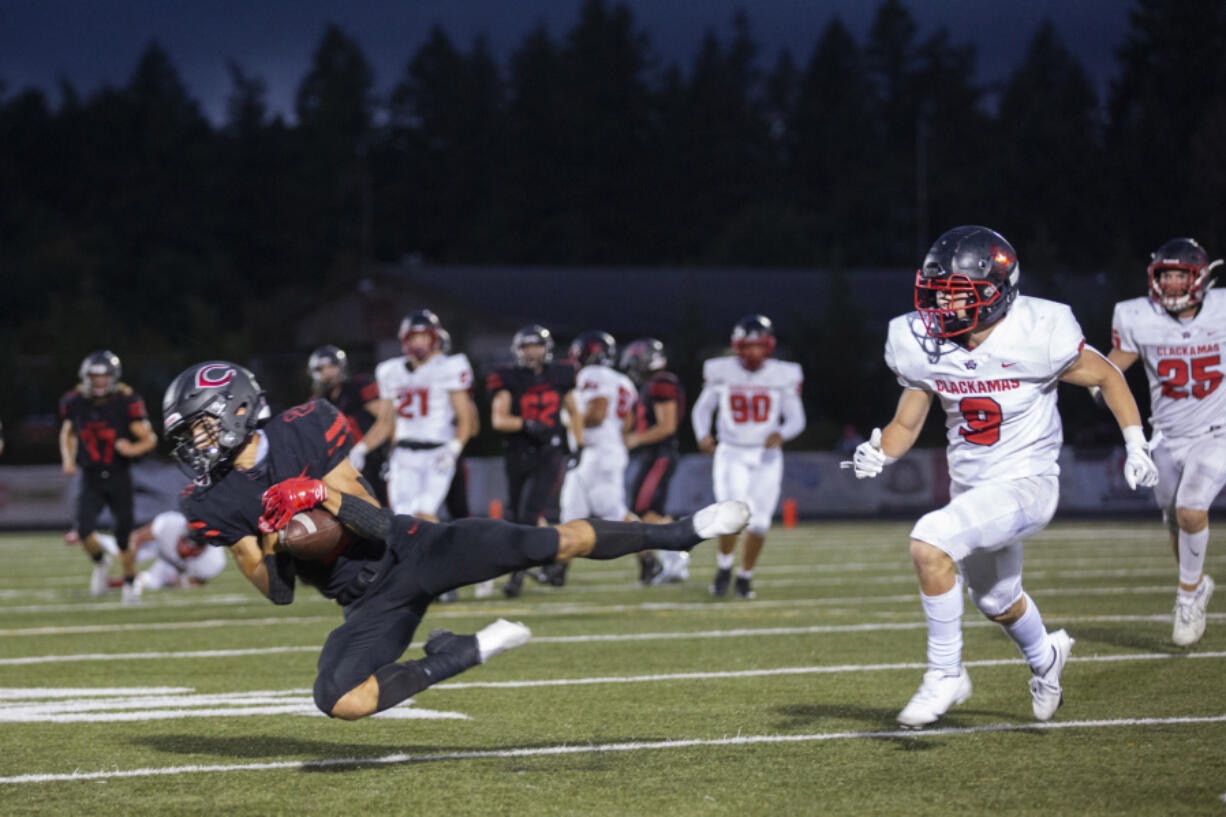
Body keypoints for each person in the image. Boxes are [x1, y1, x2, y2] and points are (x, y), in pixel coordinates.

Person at [162, 361, 749, 720]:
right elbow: (278, 594)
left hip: (415, 547)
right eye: (190, 432)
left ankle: (680, 533)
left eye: (202, 424)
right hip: (368, 600)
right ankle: (457, 654)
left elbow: (377, 521)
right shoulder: (209, 502)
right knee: (339, 700)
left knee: (548, 543)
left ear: (238, 407)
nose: (196, 440)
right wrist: (276, 541)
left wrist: (315, 494)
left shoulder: (307, 426)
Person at [845, 225, 1159, 728]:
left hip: (1028, 482)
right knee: (995, 599)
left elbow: (1107, 374)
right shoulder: (922, 341)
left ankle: (946, 673)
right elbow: (907, 421)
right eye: (938, 293)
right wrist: (879, 450)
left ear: (997, 293)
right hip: (975, 487)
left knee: (929, 542)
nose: (943, 307)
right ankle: (1046, 657)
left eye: (957, 295)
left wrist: (1135, 441)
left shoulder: (1040, 328)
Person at [1102, 237, 1222, 646]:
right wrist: (1093, 382)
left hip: (1218, 432)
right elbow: (1112, 367)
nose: (1171, 284)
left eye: (1180, 275)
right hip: (1168, 437)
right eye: (1166, 275)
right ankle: (1196, 583)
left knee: (1191, 511)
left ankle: (1186, 599)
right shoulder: (1138, 316)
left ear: (1200, 277)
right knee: (1175, 520)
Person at [692, 315, 805, 599]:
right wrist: (703, 434)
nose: (753, 353)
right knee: (731, 514)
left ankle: (745, 576)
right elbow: (702, 409)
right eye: (748, 346)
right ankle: (724, 567)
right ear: (737, 346)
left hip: (766, 454)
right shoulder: (721, 370)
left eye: (758, 346)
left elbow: (796, 418)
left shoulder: (784, 373)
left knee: (760, 522)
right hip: (731, 450)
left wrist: (782, 433)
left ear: (768, 346)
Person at [487, 324, 581, 597]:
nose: (532, 352)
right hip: (518, 453)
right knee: (518, 515)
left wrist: (578, 445)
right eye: (527, 347)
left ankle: (517, 575)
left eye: (536, 346)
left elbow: (574, 411)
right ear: (518, 350)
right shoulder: (509, 378)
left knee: (530, 514)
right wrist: (525, 424)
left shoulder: (561, 375)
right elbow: (498, 419)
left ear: (547, 348)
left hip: (548, 454)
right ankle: (553, 561)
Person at [59, 350, 157, 604]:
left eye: (104, 377)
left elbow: (149, 438)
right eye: (95, 377)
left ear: (113, 377)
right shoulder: (75, 401)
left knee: (124, 535)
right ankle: (101, 562)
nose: (99, 382)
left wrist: (132, 448)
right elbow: (68, 432)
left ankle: (128, 581)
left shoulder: (125, 400)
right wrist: (68, 459)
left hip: (118, 474)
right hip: (90, 474)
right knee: (83, 529)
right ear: (86, 377)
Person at [373, 310, 475, 521]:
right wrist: (367, 449)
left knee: (428, 513)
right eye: (414, 337)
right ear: (404, 339)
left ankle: (441, 552)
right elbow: (387, 422)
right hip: (404, 452)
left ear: (435, 338)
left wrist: (454, 449)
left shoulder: (451, 367)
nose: (419, 342)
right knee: (402, 517)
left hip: (438, 451)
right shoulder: (392, 371)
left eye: (424, 336)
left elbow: (469, 421)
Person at [558, 331, 638, 586]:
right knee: (571, 508)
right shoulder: (624, 381)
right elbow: (627, 423)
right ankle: (558, 570)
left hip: (597, 452)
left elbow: (598, 413)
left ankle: (650, 559)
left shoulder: (591, 374)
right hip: (602, 449)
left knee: (612, 512)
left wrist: (571, 417)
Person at [621, 337, 689, 584]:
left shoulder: (662, 383)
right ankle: (675, 560)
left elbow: (667, 425)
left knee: (643, 511)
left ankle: (675, 561)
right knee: (654, 511)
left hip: (659, 454)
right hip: (654, 455)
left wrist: (636, 439)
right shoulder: (653, 384)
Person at [308, 345, 392, 504]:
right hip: (340, 467)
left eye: (331, 366)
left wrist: (391, 454)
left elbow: (387, 421)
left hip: (371, 460)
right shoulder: (316, 401)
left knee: (382, 509)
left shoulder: (358, 388)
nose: (327, 373)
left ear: (341, 367)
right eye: (321, 369)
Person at [90, 510, 227, 592]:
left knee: (152, 582)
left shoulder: (214, 562)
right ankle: (92, 537)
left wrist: (181, 582)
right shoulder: (170, 523)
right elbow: (136, 538)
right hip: (157, 547)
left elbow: (198, 581)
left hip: (175, 567)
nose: (188, 547)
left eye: (195, 545)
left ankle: (113, 583)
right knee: (120, 548)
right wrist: (129, 569)